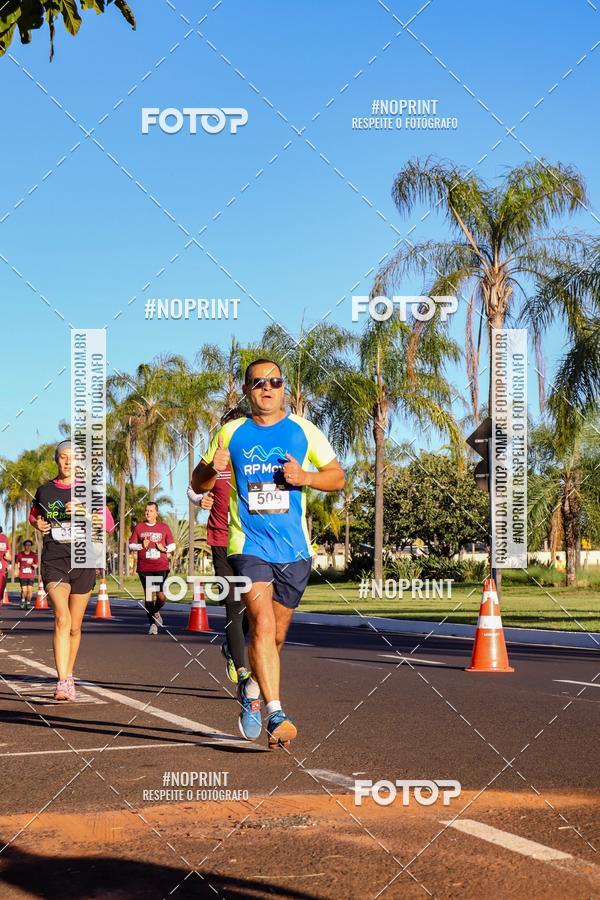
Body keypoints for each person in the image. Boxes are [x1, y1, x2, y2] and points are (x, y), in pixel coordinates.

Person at [191, 359, 344, 749]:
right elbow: (198, 480)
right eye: (258, 382)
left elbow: (337, 476)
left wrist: (306, 477)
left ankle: (252, 688)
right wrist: (212, 468)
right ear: (247, 390)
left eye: (274, 381)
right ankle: (275, 711)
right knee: (259, 624)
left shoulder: (303, 431)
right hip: (248, 546)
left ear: (283, 388)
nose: (267, 388)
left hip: (294, 550)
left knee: (275, 635)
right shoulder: (230, 433)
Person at [29, 440, 115, 701]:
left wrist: (84, 513)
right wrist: (37, 524)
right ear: (57, 460)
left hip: (83, 561)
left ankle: (69, 673)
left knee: (75, 627)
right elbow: (34, 515)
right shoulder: (44, 491)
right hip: (55, 559)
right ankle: (63, 680)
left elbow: (109, 524)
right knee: (61, 618)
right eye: (63, 457)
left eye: (73, 458)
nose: (68, 462)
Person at [187, 409, 250, 685]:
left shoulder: (252, 460)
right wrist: (199, 501)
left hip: (252, 543)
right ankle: (242, 671)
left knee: (253, 608)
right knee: (233, 606)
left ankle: (229, 646)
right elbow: (193, 487)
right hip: (221, 540)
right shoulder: (214, 461)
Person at [128, 502, 175, 635]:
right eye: (146, 511)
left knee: (160, 596)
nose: (148, 513)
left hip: (160, 566)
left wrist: (164, 548)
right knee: (149, 596)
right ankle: (153, 625)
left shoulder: (164, 527)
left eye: (151, 511)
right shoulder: (139, 527)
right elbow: (131, 545)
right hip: (144, 567)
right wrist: (141, 545)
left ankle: (155, 611)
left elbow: (172, 545)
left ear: (156, 513)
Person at [15, 539, 38, 609]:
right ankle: (22, 601)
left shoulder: (33, 555)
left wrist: (35, 566)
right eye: (26, 545)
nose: (28, 546)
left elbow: (36, 563)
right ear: (24, 546)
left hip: (31, 575)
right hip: (22, 574)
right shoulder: (20, 554)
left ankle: (28, 603)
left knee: (30, 590)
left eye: (29, 545)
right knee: (24, 590)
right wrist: (16, 570)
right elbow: (16, 563)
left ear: (31, 546)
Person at [0, 525, 11, 603]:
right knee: (1, 589)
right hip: (3, 568)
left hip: (3, 567)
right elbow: (8, 556)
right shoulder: (5, 538)